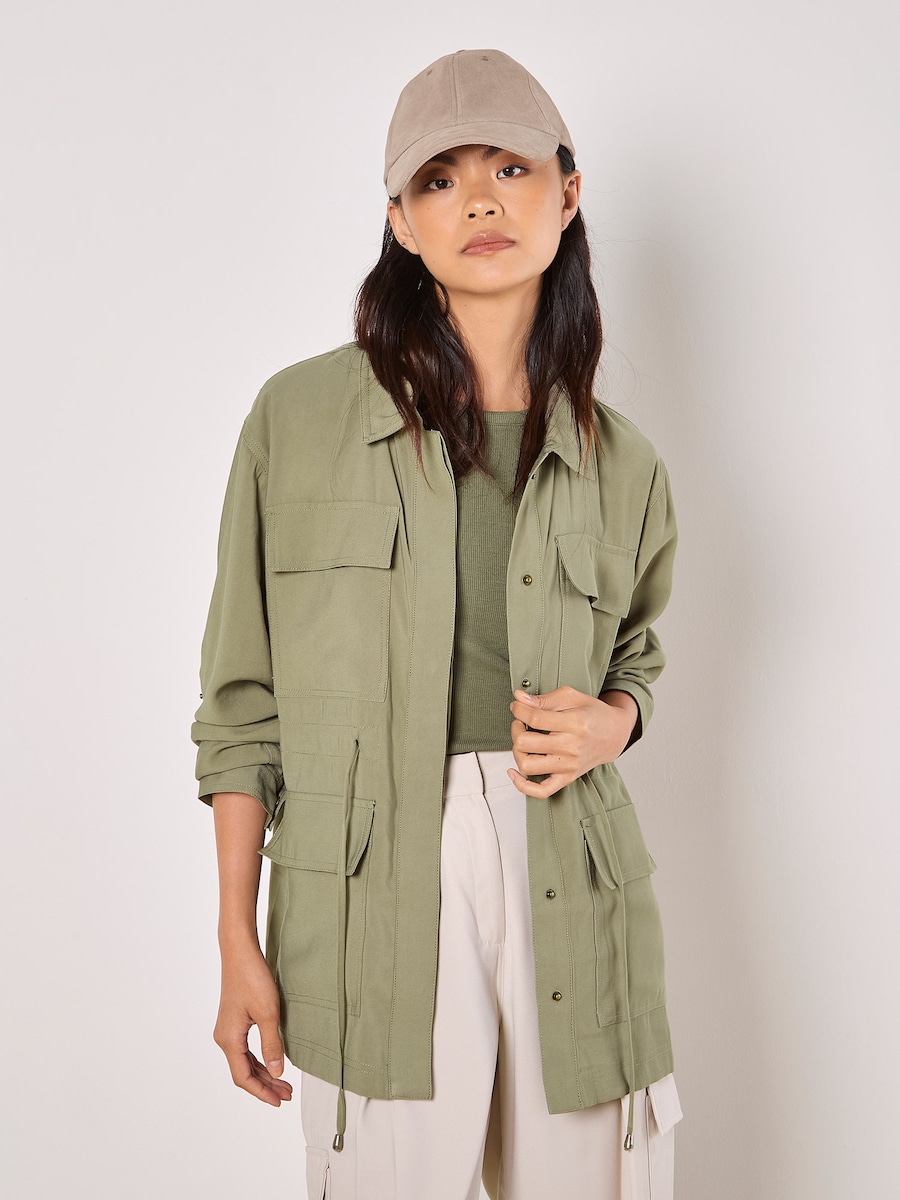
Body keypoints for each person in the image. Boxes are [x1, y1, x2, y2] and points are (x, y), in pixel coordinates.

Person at [191, 47, 683, 1200]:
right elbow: (242, 705)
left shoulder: (625, 463)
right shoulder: (296, 421)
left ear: (567, 192)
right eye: (439, 178)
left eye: (511, 168)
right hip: (373, 891)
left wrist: (613, 722)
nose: (479, 202)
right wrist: (235, 937)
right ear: (401, 221)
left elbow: (639, 658)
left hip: (575, 876)